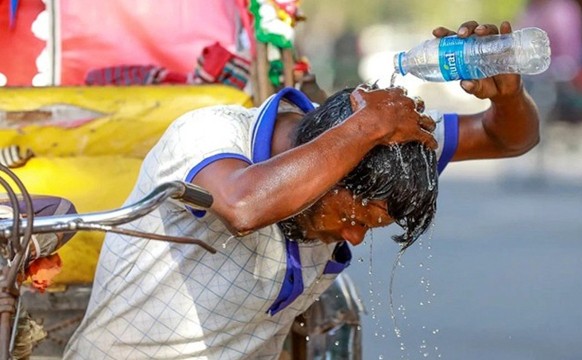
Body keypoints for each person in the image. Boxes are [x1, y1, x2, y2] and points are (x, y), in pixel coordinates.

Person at [64, 20, 540, 359]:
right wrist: (365, 128)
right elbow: (243, 205)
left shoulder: (384, 150)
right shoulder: (208, 135)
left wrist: (507, 94)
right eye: (354, 218)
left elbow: (509, 137)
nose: (354, 238)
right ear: (330, 165)